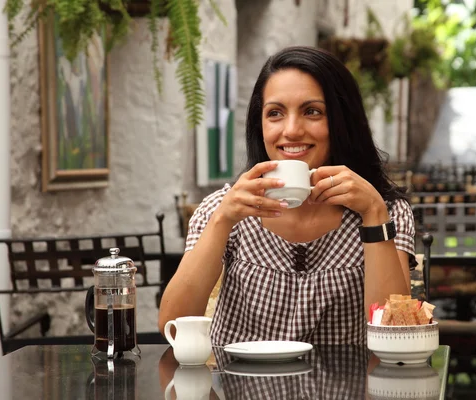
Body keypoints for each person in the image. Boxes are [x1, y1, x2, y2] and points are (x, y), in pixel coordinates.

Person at [159, 45, 416, 346]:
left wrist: (373, 212)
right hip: (241, 388)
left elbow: (396, 334)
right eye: (275, 113)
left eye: (312, 112)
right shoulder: (224, 209)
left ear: (342, 121)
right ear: (261, 125)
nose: (291, 130)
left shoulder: (385, 211)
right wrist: (222, 220)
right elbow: (172, 328)